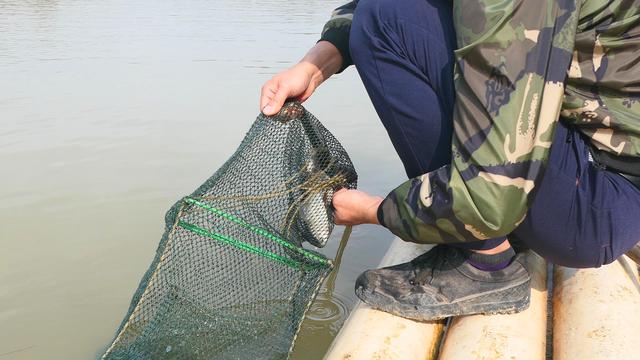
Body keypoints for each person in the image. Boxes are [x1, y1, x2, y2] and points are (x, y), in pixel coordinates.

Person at [260, 0, 640, 320]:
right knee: (384, 12)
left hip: (598, 201)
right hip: (587, 156)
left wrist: (373, 210)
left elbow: (493, 197)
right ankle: (491, 231)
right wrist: (316, 64)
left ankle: (487, 262)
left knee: (385, 20)